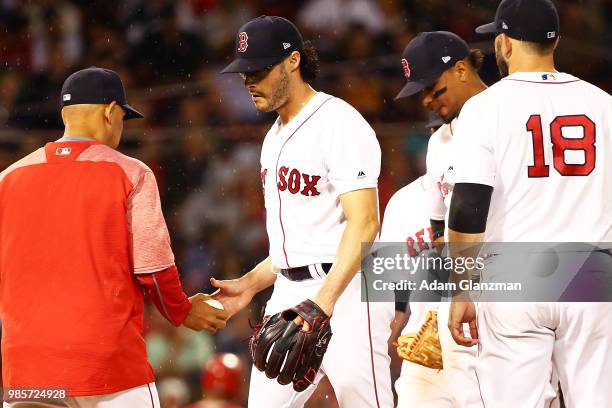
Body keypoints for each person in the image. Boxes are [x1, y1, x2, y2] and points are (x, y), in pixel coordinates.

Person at [0, 67, 228, 408]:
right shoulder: (130, 172)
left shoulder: (8, 178)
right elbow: (152, 267)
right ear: (109, 112)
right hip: (105, 366)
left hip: (28, 370)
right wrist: (181, 311)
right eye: (123, 117)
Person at [213, 15, 394, 408]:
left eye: (258, 71)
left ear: (292, 61)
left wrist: (323, 302)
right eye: (244, 74)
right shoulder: (273, 137)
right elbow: (297, 243)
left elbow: (365, 223)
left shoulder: (339, 123)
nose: (249, 82)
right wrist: (249, 283)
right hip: (290, 291)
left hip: (348, 291)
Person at [446, 0, 612, 407]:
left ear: (504, 42)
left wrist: (461, 289)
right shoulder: (604, 104)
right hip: (593, 270)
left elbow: (468, 206)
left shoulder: (485, 107)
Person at [392, 31, 488, 408]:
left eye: (435, 89)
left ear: (461, 69)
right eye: (422, 94)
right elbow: (438, 236)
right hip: (461, 301)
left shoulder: (509, 117)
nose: (428, 101)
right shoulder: (440, 143)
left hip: (519, 288)